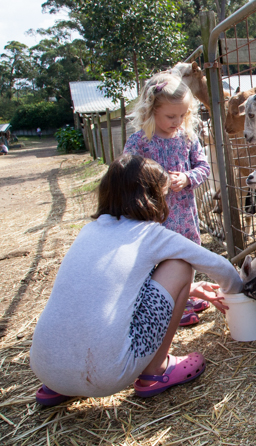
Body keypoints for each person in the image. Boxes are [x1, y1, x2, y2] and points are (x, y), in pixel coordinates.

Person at [30, 154, 243, 405]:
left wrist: (192, 290)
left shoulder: (89, 231)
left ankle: (62, 385)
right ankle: (156, 370)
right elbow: (218, 265)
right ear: (151, 198)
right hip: (107, 376)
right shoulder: (150, 234)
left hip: (46, 369)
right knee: (180, 266)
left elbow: (110, 288)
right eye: (164, 196)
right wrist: (239, 295)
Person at [123, 73, 211, 327]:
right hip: (155, 217)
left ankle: (187, 294)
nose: (177, 121)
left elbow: (203, 167)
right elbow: (126, 174)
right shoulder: (139, 142)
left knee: (187, 253)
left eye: (182, 115)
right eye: (170, 116)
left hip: (184, 213)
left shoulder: (187, 138)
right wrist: (151, 185)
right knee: (161, 260)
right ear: (151, 111)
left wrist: (186, 177)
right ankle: (171, 304)